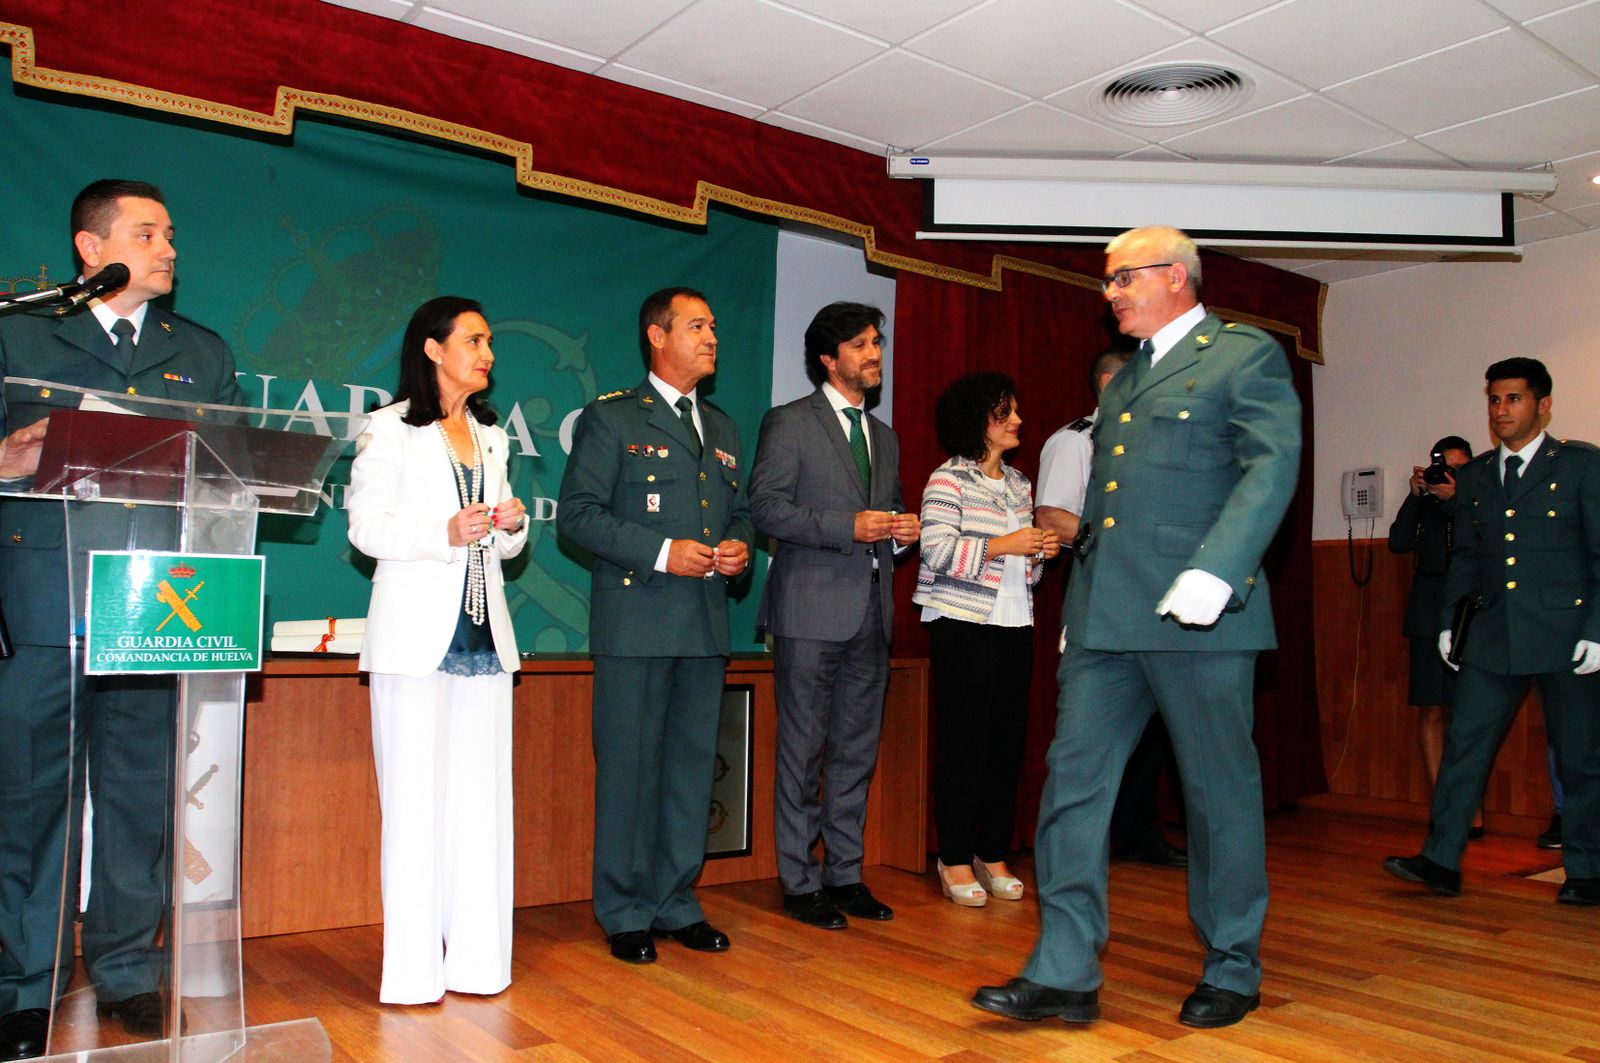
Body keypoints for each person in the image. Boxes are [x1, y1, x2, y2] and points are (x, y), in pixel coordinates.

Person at [973, 225, 1302, 1029]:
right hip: (1107, 621)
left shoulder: (1243, 355)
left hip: (1201, 615)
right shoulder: (1125, 383)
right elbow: (1110, 507)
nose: (1110, 292)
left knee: (1217, 794)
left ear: (1176, 277)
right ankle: (1064, 969)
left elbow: (1272, 465)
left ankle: (1233, 963)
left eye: (1123, 277)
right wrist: (1080, 610)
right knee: (1072, 787)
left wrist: (1219, 569)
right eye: (1108, 280)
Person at [0, 180, 247, 1060]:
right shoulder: (20, 334)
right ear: (90, 246)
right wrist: (8, 455)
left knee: (141, 793)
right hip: (42, 598)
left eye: (170, 233)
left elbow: (234, 474)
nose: (168, 248)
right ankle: (23, 984)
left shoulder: (200, 353)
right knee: (31, 797)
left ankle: (128, 970)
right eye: (147, 234)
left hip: (155, 601)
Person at [556, 287, 752, 964]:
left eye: (714, 325)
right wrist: (664, 552)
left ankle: (676, 901)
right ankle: (624, 909)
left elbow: (739, 513)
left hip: (704, 625)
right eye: (697, 325)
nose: (712, 336)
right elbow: (577, 515)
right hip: (637, 624)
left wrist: (739, 548)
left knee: (691, 774)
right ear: (657, 336)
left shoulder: (722, 427)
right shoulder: (612, 417)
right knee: (630, 772)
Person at [346, 296, 528, 1004]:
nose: (487, 354)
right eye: (474, 340)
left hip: (485, 640)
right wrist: (442, 533)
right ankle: (413, 973)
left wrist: (510, 525)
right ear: (432, 348)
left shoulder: (492, 435)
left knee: (482, 807)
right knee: (415, 806)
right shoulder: (389, 428)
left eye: (489, 341)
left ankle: (479, 964)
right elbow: (366, 528)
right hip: (413, 637)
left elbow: (505, 547)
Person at [1384, 358, 1600, 905]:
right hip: (1494, 634)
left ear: (1543, 405)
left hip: (1566, 634)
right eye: (1494, 399)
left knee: (1579, 757)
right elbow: (1468, 556)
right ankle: (1440, 861)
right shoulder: (1477, 476)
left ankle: (1587, 870)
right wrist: (1449, 622)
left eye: (1513, 398)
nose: (1501, 410)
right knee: (1465, 746)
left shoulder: (1580, 466)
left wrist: (1598, 629)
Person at [748, 302, 919, 930]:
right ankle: (799, 883)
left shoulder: (885, 436)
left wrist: (901, 533)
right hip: (808, 611)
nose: (875, 354)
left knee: (855, 753)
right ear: (828, 358)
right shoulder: (790, 422)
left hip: (872, 613)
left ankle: (845, 875)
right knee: (801, 753)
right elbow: (765, 508)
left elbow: (885, 516)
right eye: (860, 345)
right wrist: (847, 526)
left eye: (877, 343)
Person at [1037, 348, 1188, 870]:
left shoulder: (1151, 439)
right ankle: (1086, 845)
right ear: (1108, 383)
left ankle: (1136, 830)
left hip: (1152, 592)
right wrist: (1116, 544)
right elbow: (1052, 516)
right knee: (1097, 725)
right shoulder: (1075, 440)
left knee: (1154, 721)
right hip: (1101, 588)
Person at [913, 372, 1059, 907]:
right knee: (964, 746)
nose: (1017, 420)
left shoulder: (1020, 484)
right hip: (962, 625)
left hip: (1015, 624)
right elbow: (935, 552)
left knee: (1006, 746)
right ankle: (953, 857)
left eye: (1015, 410)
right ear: (980, 421)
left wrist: (1038, 552)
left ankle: (991, 852)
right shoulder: (947, 480)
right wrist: (1005, 544)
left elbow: (1026, 571)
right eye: (1005, 412)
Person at [1387, 435, 1481, 836]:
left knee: (1469, 715)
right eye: (1445, 468)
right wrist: (1415, 496)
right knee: (1432, 710)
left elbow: (1483, 542)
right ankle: (1443, 805)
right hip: (1427, 616)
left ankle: (1470, 807)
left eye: (1459, 469)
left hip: (1470, 616)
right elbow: (1397, 543)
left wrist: (1456, 499)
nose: (1449, 475)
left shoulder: (1479, 502)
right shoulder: (1424, 503)